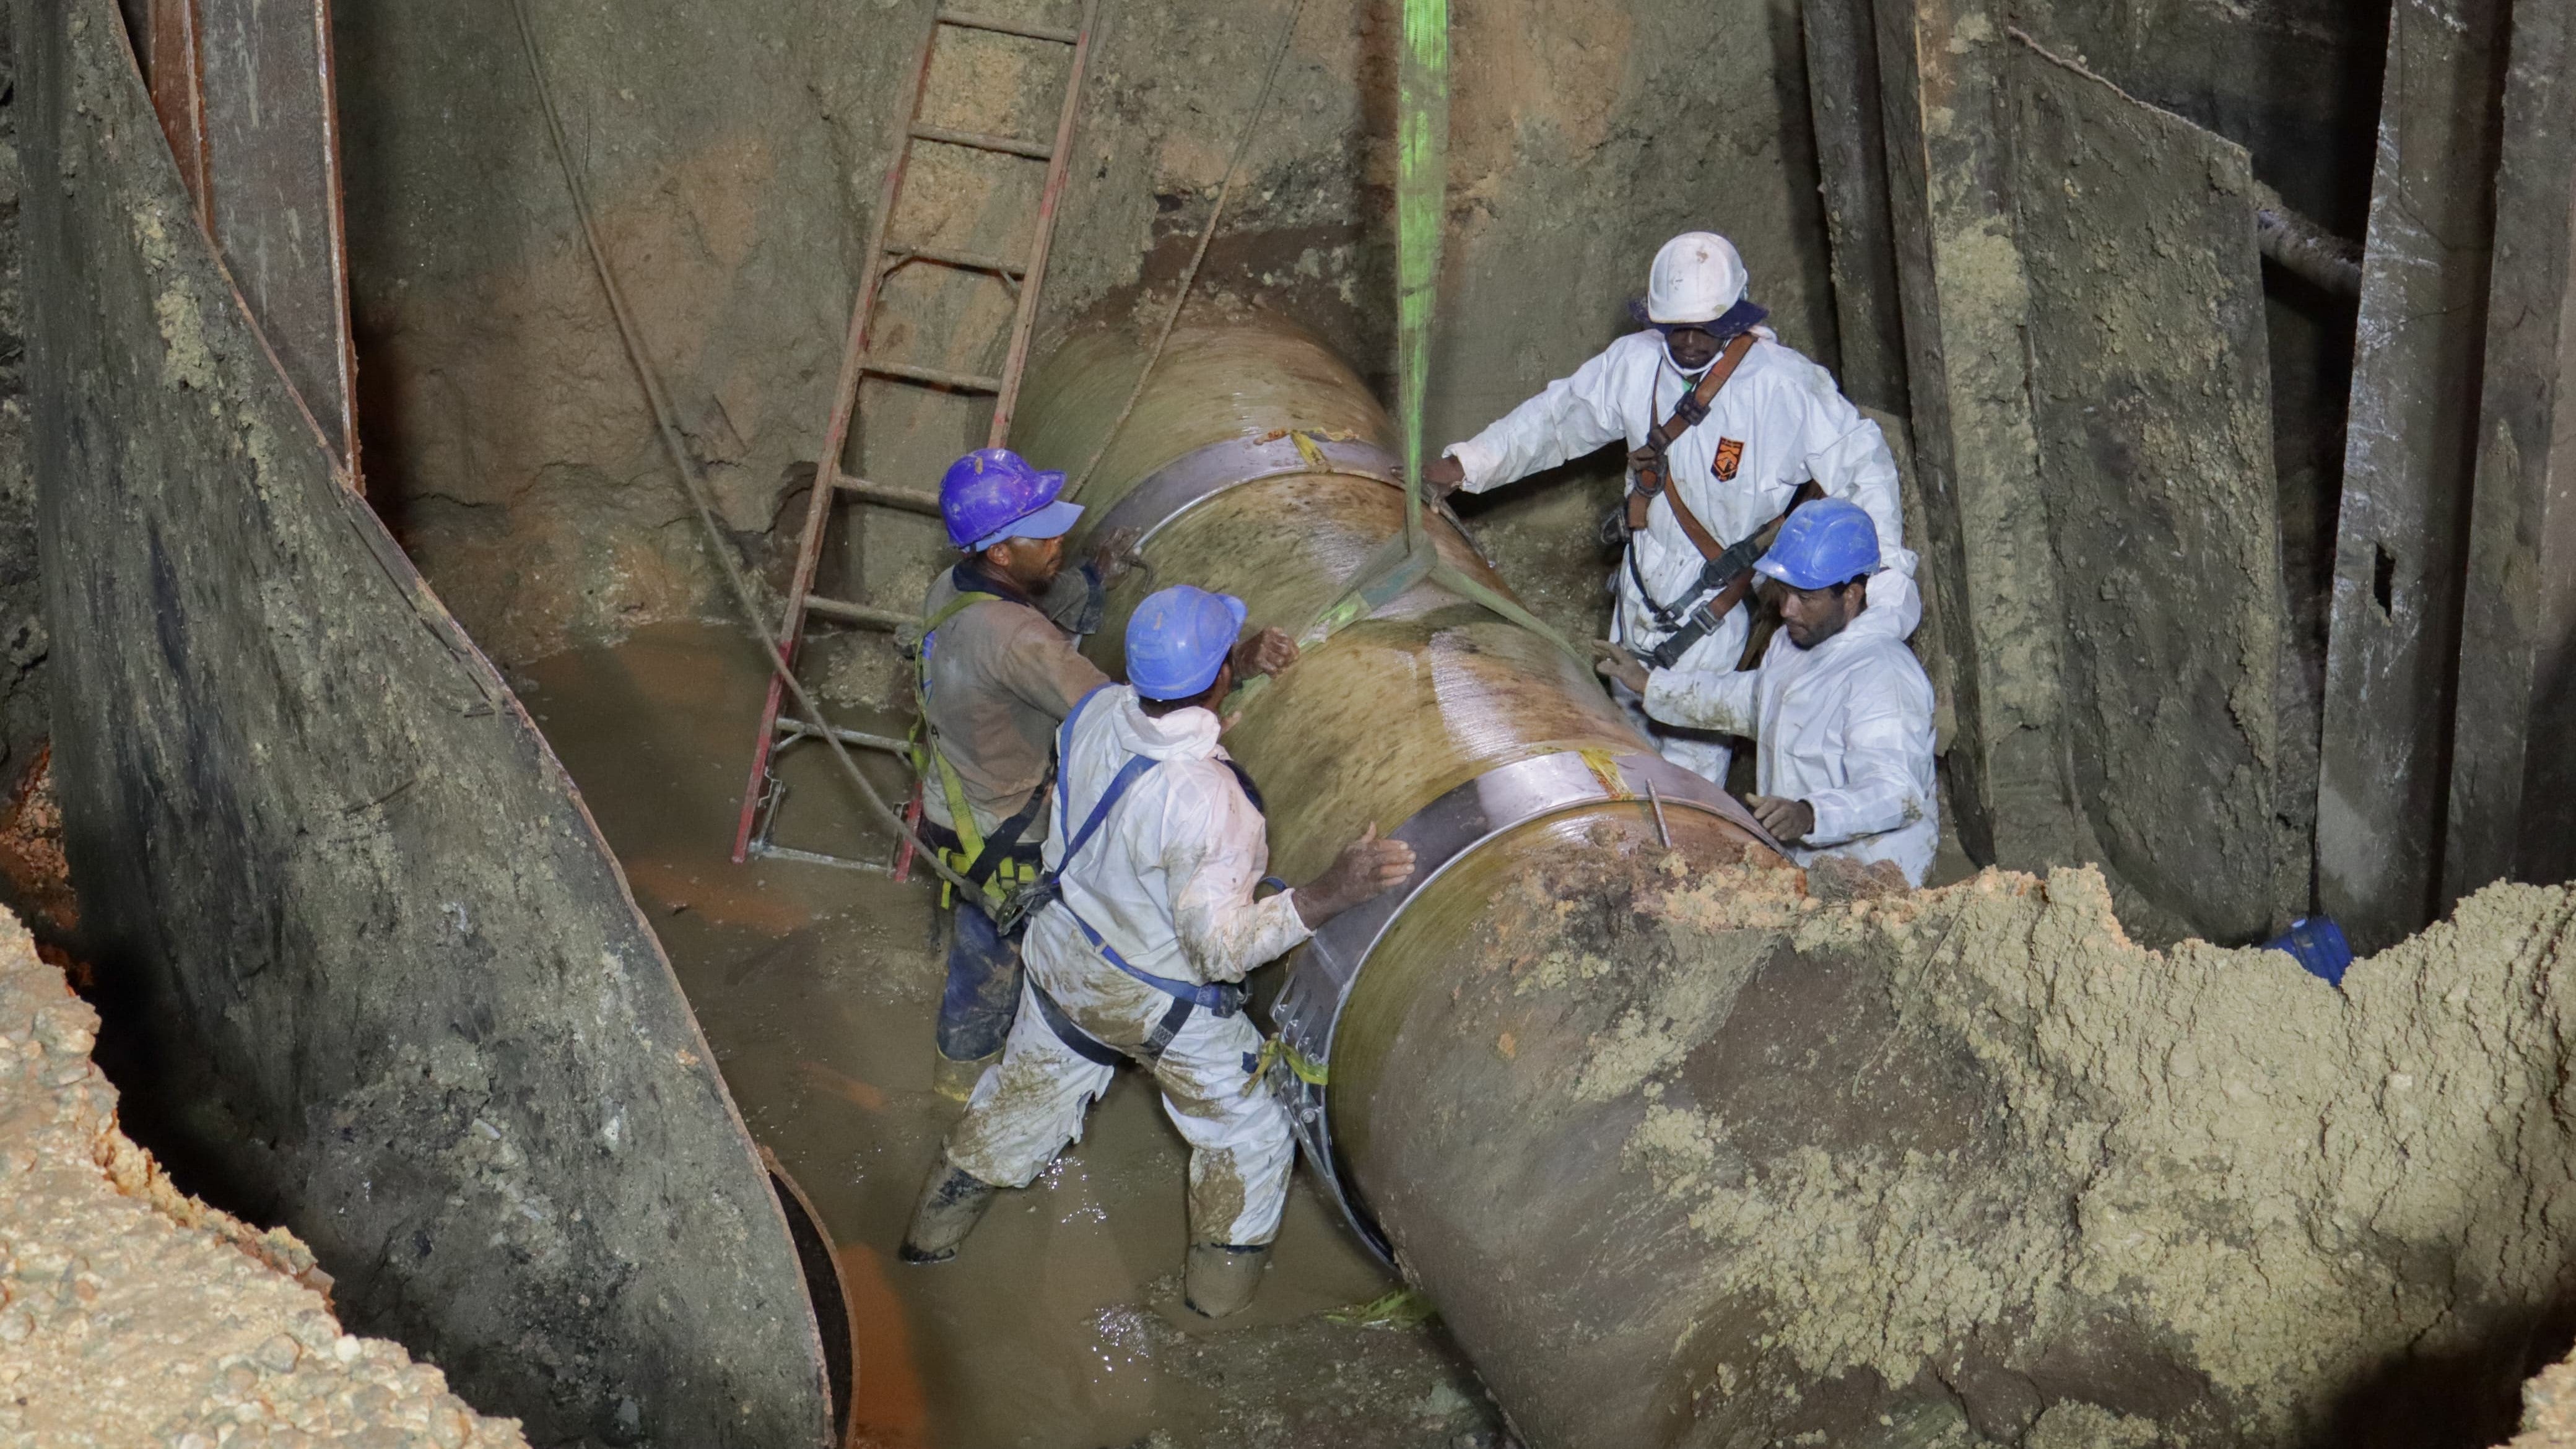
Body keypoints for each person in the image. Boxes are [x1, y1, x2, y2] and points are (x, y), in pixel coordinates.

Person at [899, 585, 1416, 1318]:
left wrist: (1225, 667)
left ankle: (926, 1248)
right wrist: (1329, 890)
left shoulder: (1096, 712)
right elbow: (1220, 951)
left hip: (1059, 958)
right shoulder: (1210, 802)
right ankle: (1211, 1311)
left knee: (1018, 1105)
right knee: (1253, 1132)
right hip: (1147, 1001)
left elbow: (1155, 722)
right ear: (1215, 681)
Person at [1422, 231, 1918, 786]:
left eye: (1703, 327)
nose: (1686, 340)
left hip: (1716, 599)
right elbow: (1557, 418)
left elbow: (1861, 466)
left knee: (1692, 755)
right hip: (1642, 578)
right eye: (1673, 327)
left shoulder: (1785, 386)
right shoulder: (1635, 365)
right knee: (1626, 735)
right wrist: (1468, 465)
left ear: (1737, 314)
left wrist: (1885, 575)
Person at [913, 450, 1293, 1099]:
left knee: (983, 955)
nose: (1060, 536)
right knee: (1055, 964)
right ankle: (993, 1089)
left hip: (952, 809)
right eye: (1044, 533)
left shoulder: (956, 588)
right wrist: (1227, 668)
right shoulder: (1017, 642)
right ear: (1000, 553)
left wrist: (1091, 577)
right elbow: (1129, 715)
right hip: (1006, 838)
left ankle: (959, 1071)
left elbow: (1026, 615)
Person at [1595, 500, 1938, 886]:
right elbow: (1751, 700)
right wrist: (1650, 684)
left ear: (1852, 596)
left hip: (1874, 875)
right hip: (1803, 861)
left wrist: (1811, 815)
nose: (1788, 610)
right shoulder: (1794, 644)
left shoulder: (1883, 674)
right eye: (1784, 592)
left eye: (1805, 598)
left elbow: (1896, 793)